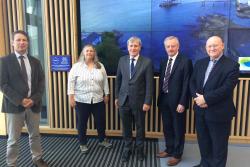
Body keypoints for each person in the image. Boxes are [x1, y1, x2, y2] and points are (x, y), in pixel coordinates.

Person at [190, 36, 239, 167]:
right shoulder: (200, 63)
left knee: (219, 146)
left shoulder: (232, 65)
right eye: (209, 46)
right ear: (206, 48)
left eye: (215, 45)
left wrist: (206, 99)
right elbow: (192, 82)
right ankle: (205, 164)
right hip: (200, 111)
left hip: (219, 113)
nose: (212, 48)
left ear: (222, 46)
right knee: (203, 142)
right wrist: (198, 99)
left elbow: (227, 89)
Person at [0, 30, 47, 167]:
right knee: (13, 139)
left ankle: (37, 158)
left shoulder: (36, 62)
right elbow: (3, 84)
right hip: (14, 106)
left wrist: (33, 99)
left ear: (28, 43)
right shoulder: (4, 61)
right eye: (18, 40)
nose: (22, 42)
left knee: (35, 135)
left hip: (33, 105)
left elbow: (41, 83)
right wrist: (20, 100)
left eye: (24, 40)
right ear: (12, 43)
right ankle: (11, 163)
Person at [67, 44, 112, 153]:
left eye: (91, 51)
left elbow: (105, 81)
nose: (89, 53)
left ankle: (102, 140)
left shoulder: (100, 66)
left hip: (98, 100)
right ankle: (83, 143)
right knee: (82, 123)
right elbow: (71, 82)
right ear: (83, 53)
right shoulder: (76, 66)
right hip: (81, 100)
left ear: (94, 53)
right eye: (87, 51)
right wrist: (71, 97)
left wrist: (107, 94)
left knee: (100, 122)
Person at [115, 36, 153, 162]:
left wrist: (147, 102)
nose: (133, 48)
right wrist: (117, 97)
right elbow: (118, 80)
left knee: (140, 127)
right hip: (123, 101)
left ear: (140, 47)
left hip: (140, 102)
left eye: (135, 46)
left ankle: (140, 150)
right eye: (131, 46)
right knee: (126, 128)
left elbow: (149, 84)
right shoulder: (122, 60)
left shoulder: (147, 62)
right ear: (127, 47)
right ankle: (127, 149)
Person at [157, 36, 193, 166]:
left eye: (173, 46)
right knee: (167, 127)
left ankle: (177, 154)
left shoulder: (185, 61)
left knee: (178, 128)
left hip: (178, 102)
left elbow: (186, 84)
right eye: (168, 46)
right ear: (165, 48)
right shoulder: (163, 61)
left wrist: (183, 102)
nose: (170, 48)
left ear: (178, 46)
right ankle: (169, 149)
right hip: (164, 99)